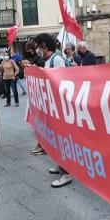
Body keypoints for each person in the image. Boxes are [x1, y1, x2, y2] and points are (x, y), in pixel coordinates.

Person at [34, 33, 72, 188]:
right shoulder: (49, 60)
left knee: (62, 139)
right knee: (56, 139)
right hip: (53, 106)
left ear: (44, 45)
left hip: (60, 107)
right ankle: (60, 164)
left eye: (38, 45)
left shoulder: (56, 59)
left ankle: (66, 173)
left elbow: (62, 81)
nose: (37, 49)